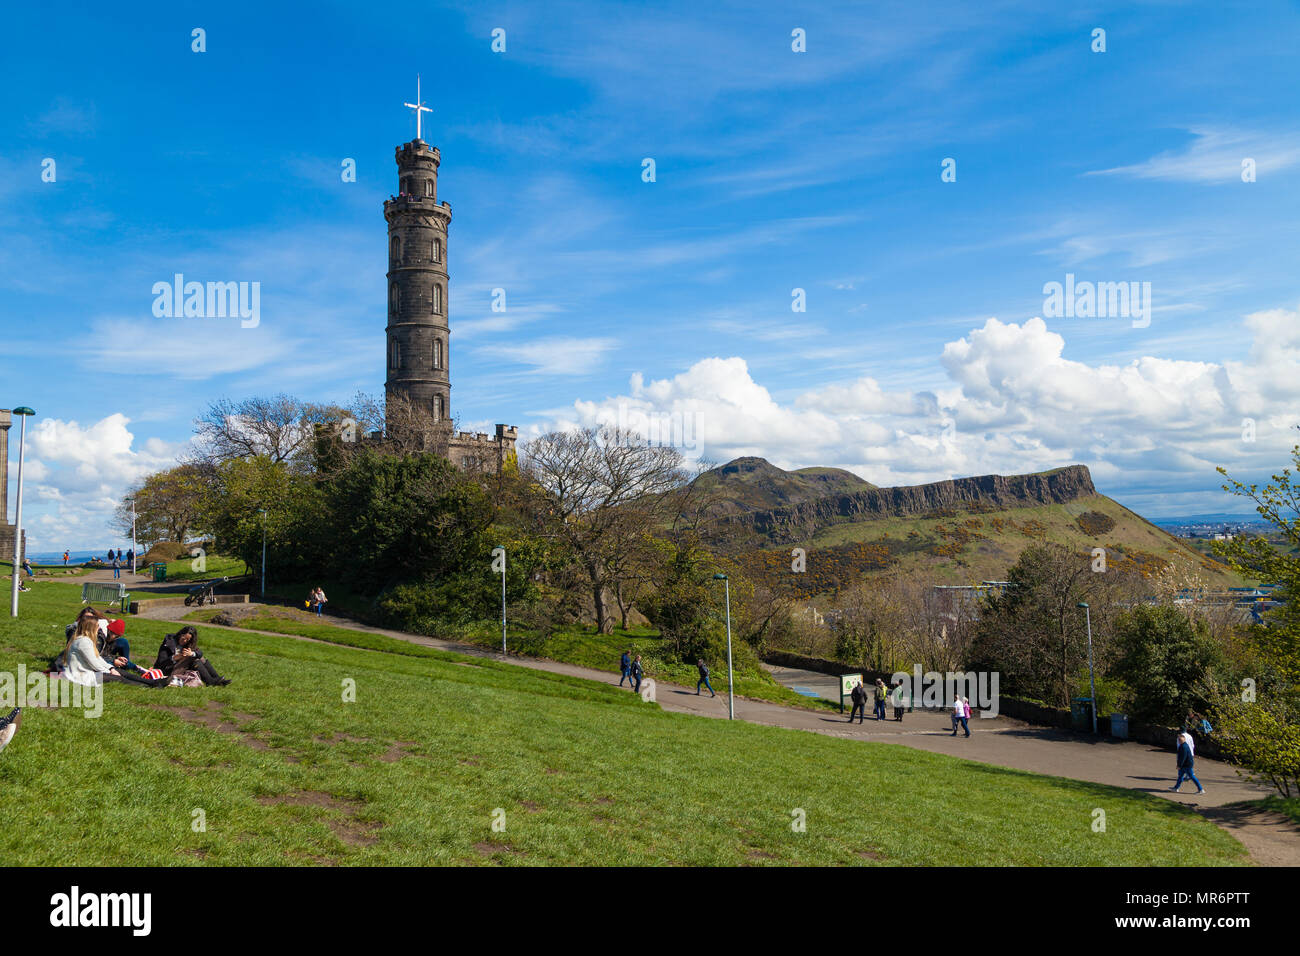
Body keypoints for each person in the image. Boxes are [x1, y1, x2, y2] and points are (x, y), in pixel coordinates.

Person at [155, 626, 231, 686]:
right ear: (181, 634)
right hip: (167, 670)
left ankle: (216, 678)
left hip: (179, 667)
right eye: (183, 638)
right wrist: (175, 658)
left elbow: (200, 653)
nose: (184, 641)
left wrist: (192, 653)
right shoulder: (169, 642)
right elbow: (161, 662)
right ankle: (210, 681)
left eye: (187, 640)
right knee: (195, 660)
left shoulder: (188, 645)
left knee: (198, 657)